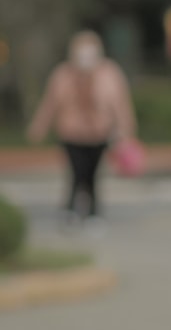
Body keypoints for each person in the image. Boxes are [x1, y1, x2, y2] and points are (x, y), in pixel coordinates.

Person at [27, 30, 137, 226]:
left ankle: (93, 212)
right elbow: (50, 103)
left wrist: (126, 130)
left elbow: (120, 104)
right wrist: (39, 127)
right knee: (77, 173)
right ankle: (71, 210)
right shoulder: (63, 74)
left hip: (99, 134)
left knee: (93, 174)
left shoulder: (109, 73)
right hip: (71, 134)